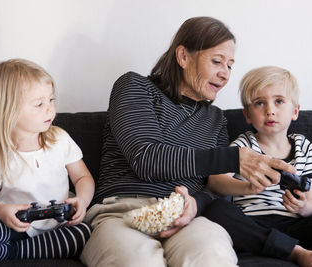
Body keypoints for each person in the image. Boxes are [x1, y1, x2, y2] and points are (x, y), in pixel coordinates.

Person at [79, 17, 296, 267]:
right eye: (217, 61)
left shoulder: (215, 119)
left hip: (187, 219)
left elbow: (216, 190)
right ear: (183, 57)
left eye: (230, 65)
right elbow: (146, 158)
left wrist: (197, 203)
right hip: (122, 213)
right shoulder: (134, 86)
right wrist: (235, 159)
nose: (225, 74)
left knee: (214, 257)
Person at [204, 66, 312, 267]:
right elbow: (215, 181)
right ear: (247, 115)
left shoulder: (303, 146)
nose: (270, 110)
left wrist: (302, 207)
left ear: (295, 111)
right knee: (216, 209)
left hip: (296, 225)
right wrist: (248, 187)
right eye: (259, 103)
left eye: (279, 101)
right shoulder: (243, 145)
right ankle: (296, 253)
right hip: (254, 226)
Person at [0, 59, 95, 266]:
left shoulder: (60, 139)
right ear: (7, 110)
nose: (50, 109)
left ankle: (9, 253)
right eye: (39, 104)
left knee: (84, 233)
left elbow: (83, 177)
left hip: (58, 225)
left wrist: (82, 201)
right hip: (14, 225)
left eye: (51, 100)